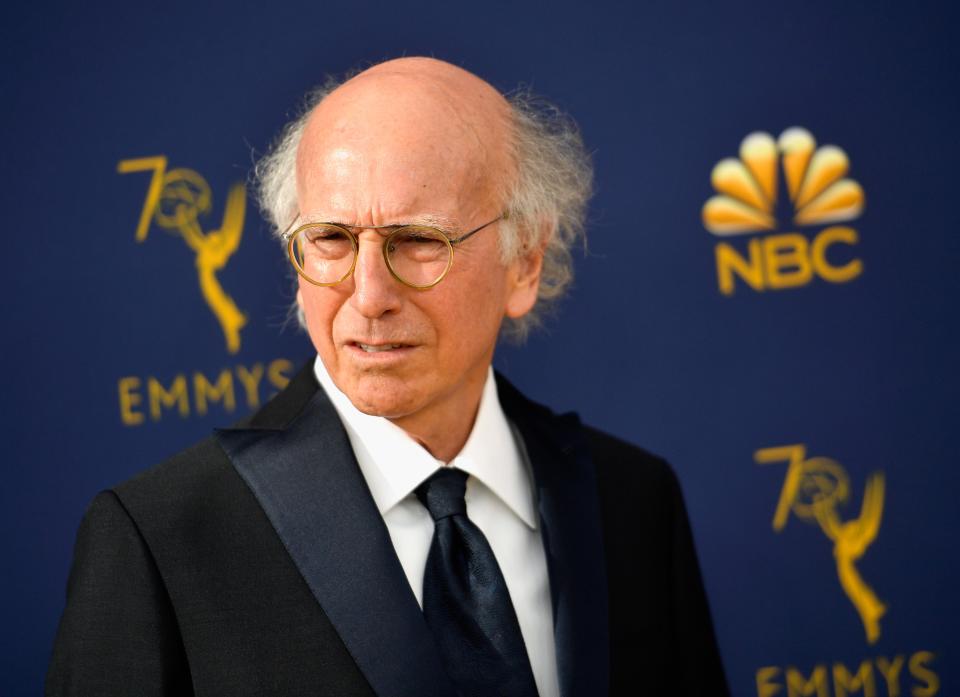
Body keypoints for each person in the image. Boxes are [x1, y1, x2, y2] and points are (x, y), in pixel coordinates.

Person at [47, 57, 729, 697]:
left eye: (419, 240)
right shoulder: (160, 540)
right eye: (332, 240)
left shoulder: (634, 502)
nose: (368, 293)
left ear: (524, 260)